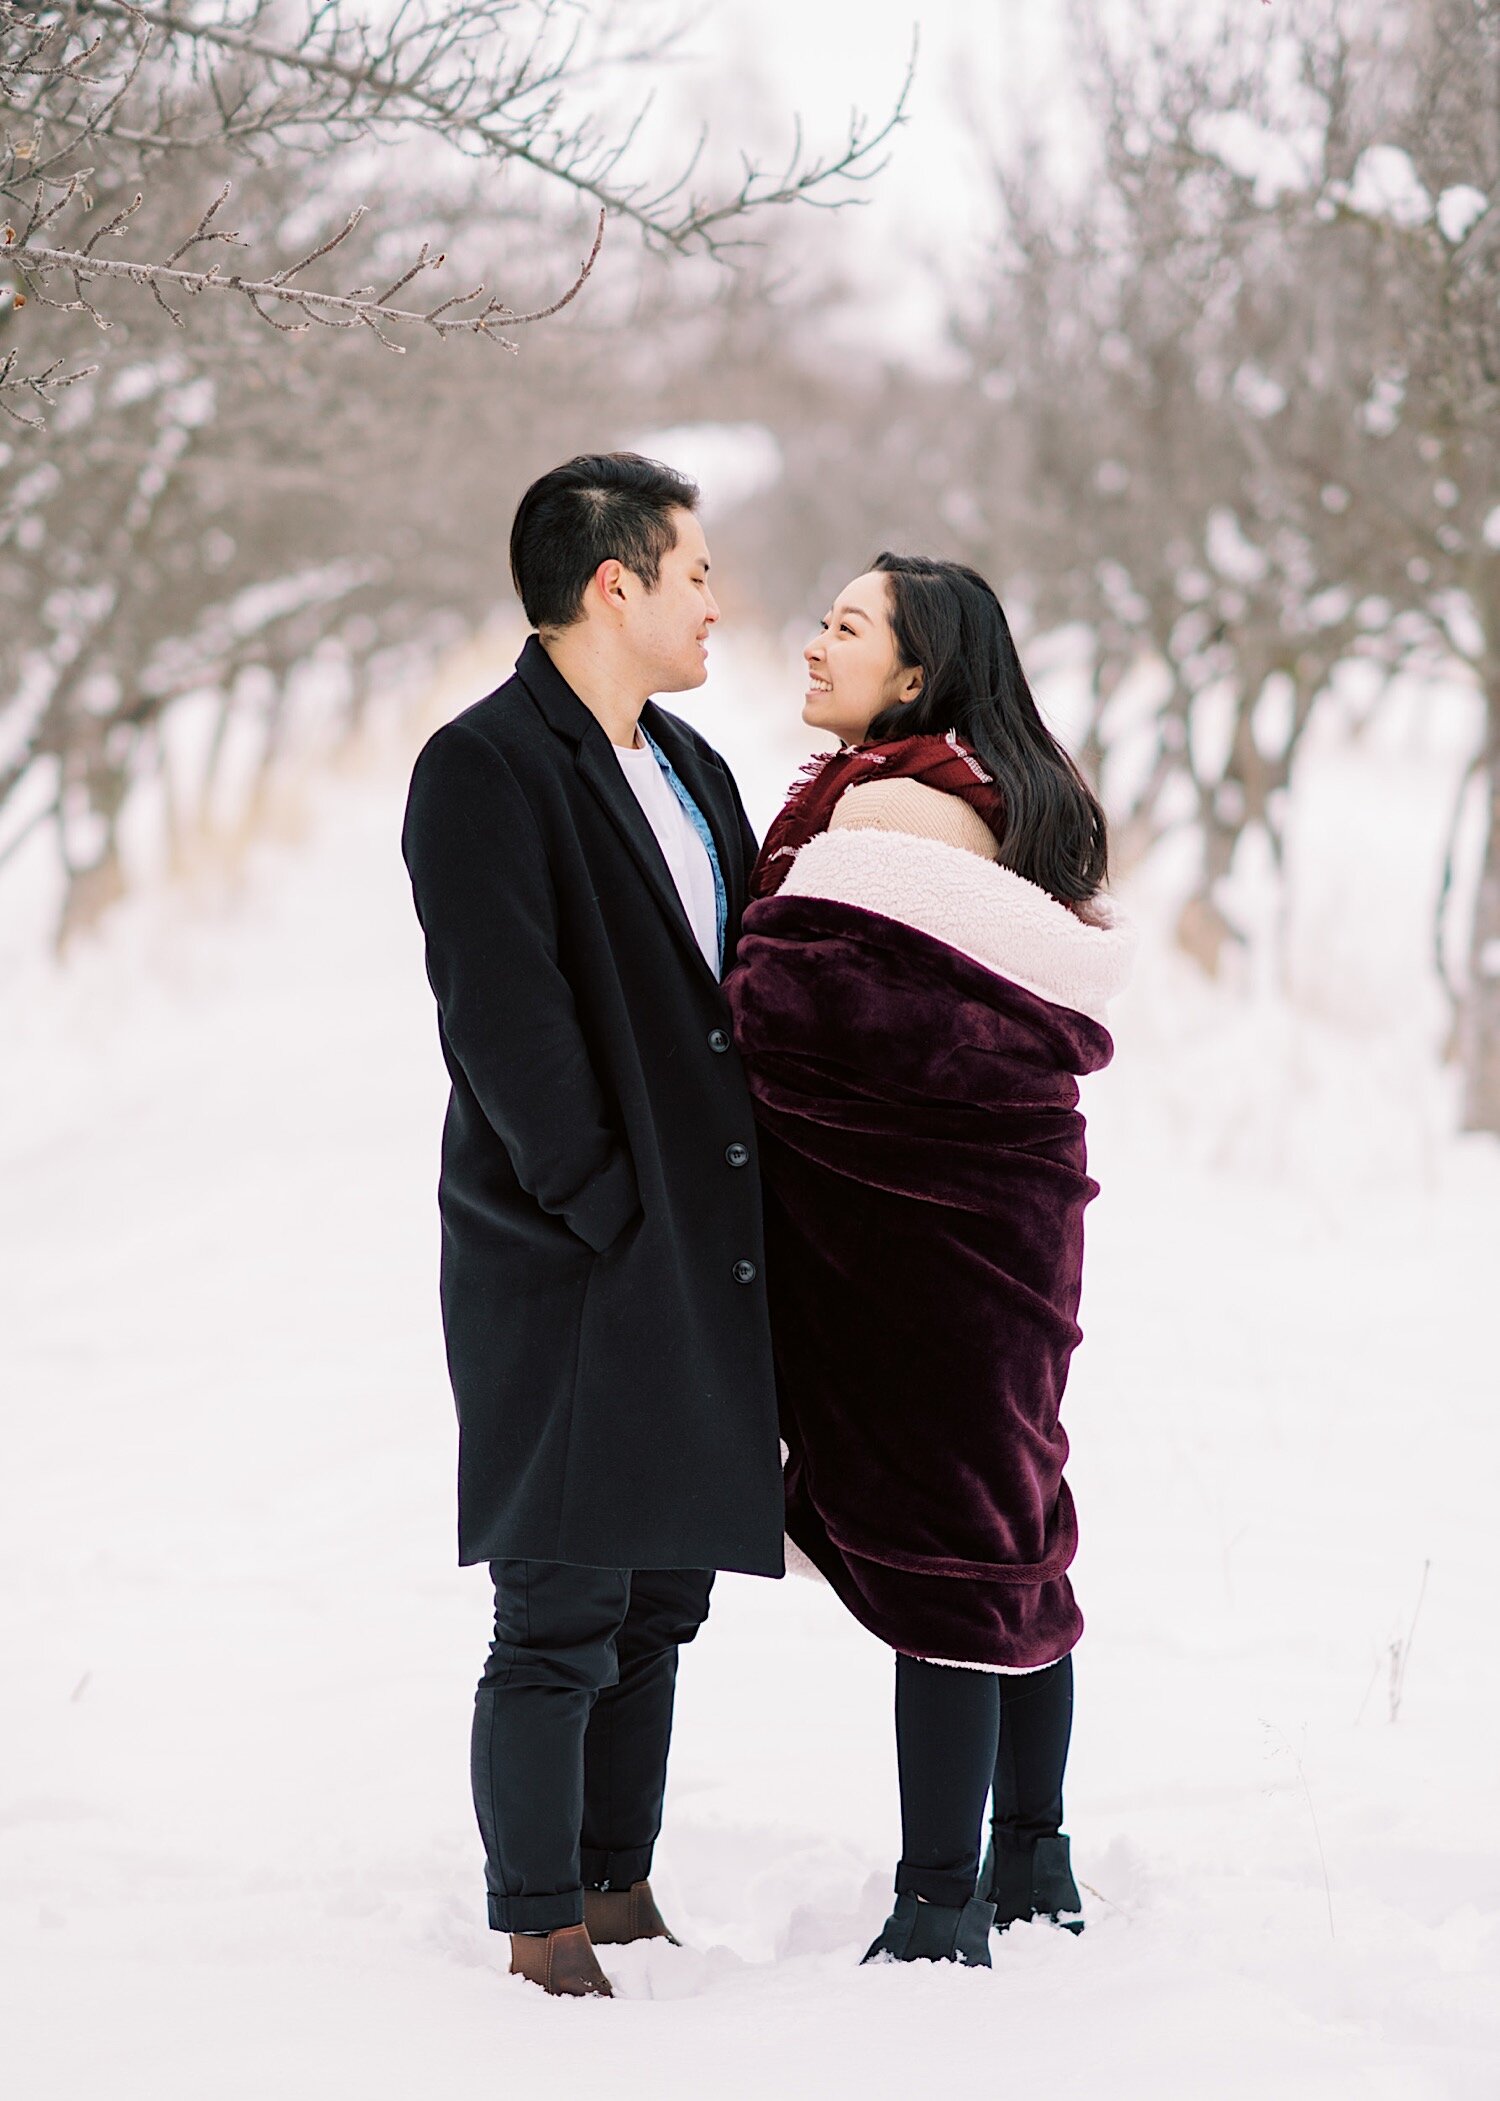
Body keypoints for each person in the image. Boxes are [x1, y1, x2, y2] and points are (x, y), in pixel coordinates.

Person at [401, 453, 783, 1999]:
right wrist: (608, 1206)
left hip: (702, 1238)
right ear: (611, 583)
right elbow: (505, 1022)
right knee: (560, 1594)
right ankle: (541, 1920)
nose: (717, 603)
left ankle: (622, 1884)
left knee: (662, 1587)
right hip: (565, 1248)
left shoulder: (693, 765)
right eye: (695, 573)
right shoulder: (483, 765)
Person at [725, 553, 1133, 1968]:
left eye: (846, 626)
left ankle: (937, 1901)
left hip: (923, 1239)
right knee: (1014, 1525)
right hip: (1010, 1224)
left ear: (915, 674)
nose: (813, 645)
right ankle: (1032, 1853)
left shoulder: (892, 807)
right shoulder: (997, 796)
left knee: (948, 1552)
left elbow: (796, 1013)